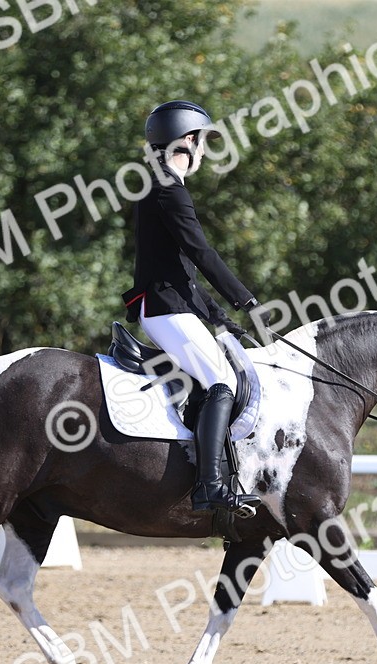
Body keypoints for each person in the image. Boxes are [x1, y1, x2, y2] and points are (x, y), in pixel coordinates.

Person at [121, 100, 261, 517]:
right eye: (203, 142)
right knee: (222, 383)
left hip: (170, 304)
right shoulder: (168, 188)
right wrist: (246, 299)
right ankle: (210, 488)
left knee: (220, 376)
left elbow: (180, 271)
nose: (204, 151)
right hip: (165, 309)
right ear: (188, 140)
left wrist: (223, 321)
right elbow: (201, 252)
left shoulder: (159, 185)